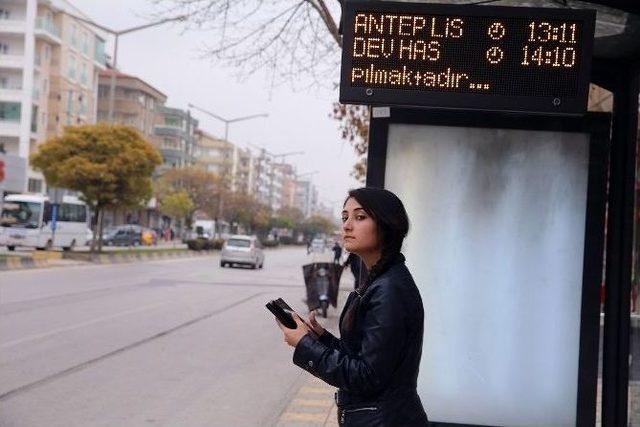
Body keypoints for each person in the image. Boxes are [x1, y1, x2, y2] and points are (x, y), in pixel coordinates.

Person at [276, 187, 428, 426]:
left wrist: (304, 345)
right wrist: (319, 338)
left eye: (360, 217)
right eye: (345, 217)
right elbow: (363, 356)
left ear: (387, 225)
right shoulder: (380, 280)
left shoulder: (389, 289)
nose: (347, 226)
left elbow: (366, 377)